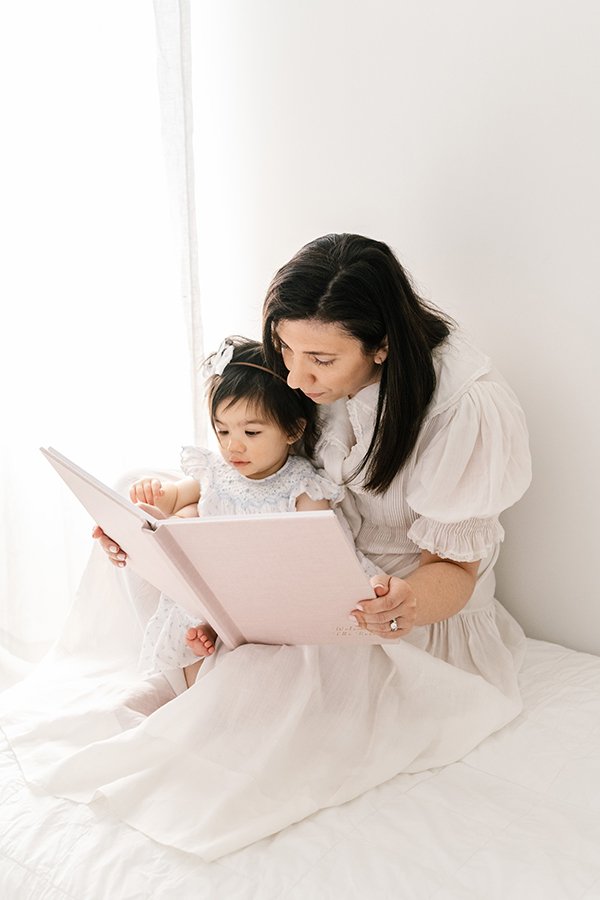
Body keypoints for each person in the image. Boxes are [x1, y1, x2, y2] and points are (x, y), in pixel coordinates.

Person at [6, 234, 531, 862]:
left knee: (275, 688)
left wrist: (399, 603)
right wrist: (158, 532)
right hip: (304, 549)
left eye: (318, 360)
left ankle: (208, 676)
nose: (294, 375)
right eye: (284, 347)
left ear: (383, 343)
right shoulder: (311, 375)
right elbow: (257, 469)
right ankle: (186, 658)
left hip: (404, 596)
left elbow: (455, 569)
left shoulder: (465, 408)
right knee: (136, 498)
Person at [119, 336, 343, 684]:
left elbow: (318, 546)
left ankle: (222, 686)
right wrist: (156, 495)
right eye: (222, 431)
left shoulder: (301, 484)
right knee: (190, 628)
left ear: (292, 430)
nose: (232, 445)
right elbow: (175, 497)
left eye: (251, 432)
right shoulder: (217, 473)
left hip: (267, 596)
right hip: (213, 591)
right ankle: (193, 690)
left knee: (257, 663)